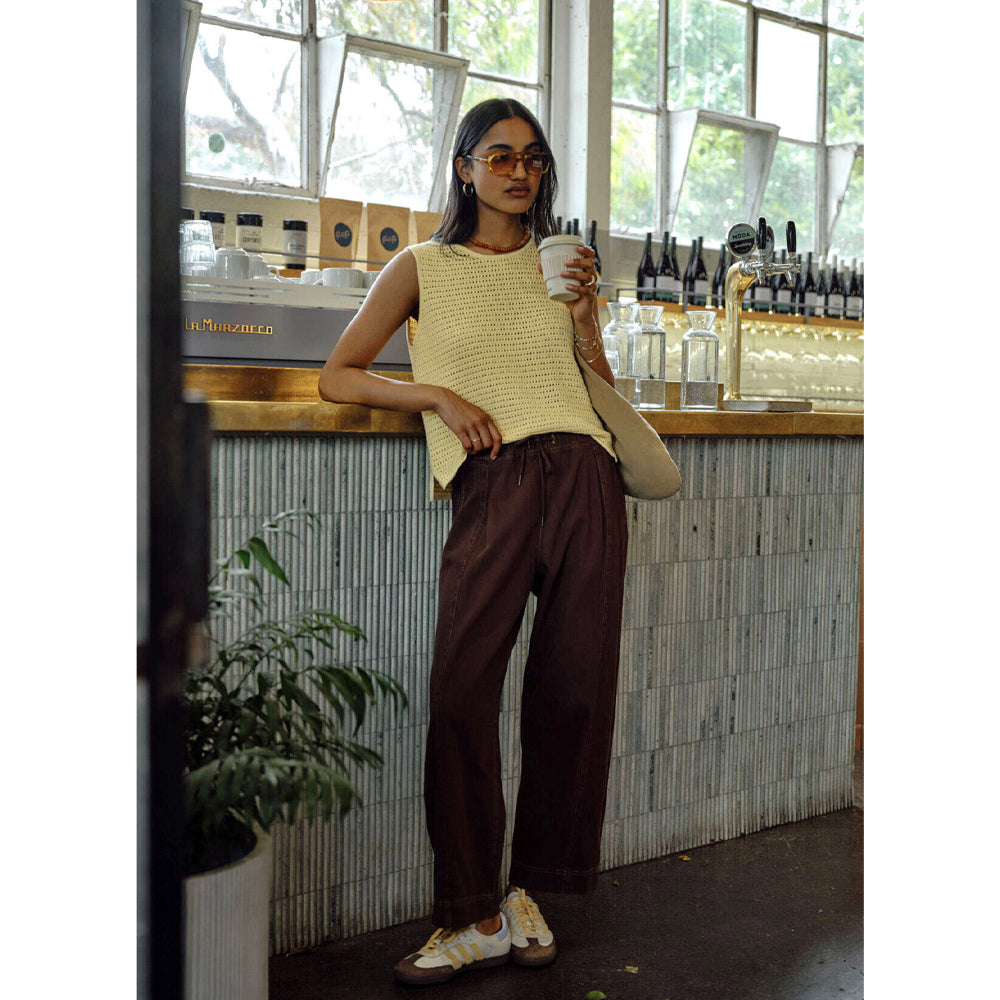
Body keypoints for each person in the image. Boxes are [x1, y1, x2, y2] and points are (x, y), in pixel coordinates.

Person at [318, 98, 628, 987]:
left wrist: (586, 325)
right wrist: (437, 397)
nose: (519, 171)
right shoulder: (421, 265)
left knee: (572, 696)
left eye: (533, 158)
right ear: (464, 168)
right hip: (492, 479)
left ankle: (529, 891)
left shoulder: (559, 263)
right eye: (499, 156)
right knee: (460, 693)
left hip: (586, 476)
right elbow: (339, 375)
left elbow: (599, 389)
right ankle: (470, 912)